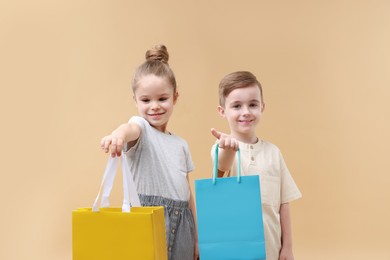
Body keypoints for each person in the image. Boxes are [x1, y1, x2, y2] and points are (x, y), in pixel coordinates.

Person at [101, 44, 198, 260]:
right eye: (146, 100)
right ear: (135, 101)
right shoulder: (141, 128)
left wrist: (197, 238)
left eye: (162, 98)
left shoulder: (181, 144)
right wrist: (117, 134)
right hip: (149, 219)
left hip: (184, 225)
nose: (154, 106)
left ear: (175, 97)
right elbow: (129, 129)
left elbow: (187, 192)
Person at [211, 71, 302, 260]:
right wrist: (227, 149)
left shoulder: (274, 153)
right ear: (222, 111)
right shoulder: (221, 148)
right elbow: (222, 167)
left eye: (252, 104)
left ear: (262, 107)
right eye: (236, 106)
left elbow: (283, 203)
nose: (246, 111)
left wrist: (288, 247)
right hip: (234, 250)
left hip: (271, 249)